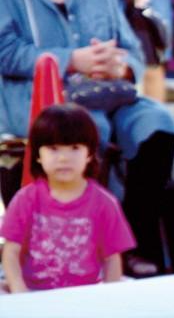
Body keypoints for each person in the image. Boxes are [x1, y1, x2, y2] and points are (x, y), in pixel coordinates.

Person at [0, 0, 174, 276]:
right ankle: (86, 251)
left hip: (110, 91)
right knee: (89, 129)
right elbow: (6, 52)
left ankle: (136, 244)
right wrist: (73, 59)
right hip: (38, 96)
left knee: (158, 126)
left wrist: (123, 65)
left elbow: (134, 51)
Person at [0, 103, 135, 292]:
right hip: (32, 296)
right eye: (54, 148)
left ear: (89, 153)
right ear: (37, 154)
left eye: (74, 147)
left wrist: (108, 301)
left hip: (83, 297)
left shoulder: (104, 203)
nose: (64, 158)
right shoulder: (25, 199)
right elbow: (10, 252)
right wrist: (20, 292)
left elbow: (112, 259)